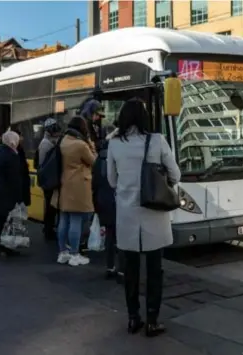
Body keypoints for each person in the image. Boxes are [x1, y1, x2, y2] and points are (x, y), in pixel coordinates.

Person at [107, 98, 180, 337]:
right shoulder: (157, 141)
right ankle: (152, 320)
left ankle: (132, 318)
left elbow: (112, 180)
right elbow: (176, 175)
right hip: (154, 214)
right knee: (154, 269)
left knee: (130, 270)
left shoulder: (114, 144)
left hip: (127, 215)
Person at [52, 116, 96, 267]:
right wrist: (90, 142)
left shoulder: (63, 141)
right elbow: (93, 160)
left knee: (64, 219)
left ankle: (62, 252)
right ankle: (75, 254)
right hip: (78, 186)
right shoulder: (81, 145)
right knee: (76, 220)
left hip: (63, 184)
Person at [93, 126, 122, 281]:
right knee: (122, 236)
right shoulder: (119, 156)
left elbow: (95, 183)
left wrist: (96, 204)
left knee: (110, 236)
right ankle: (122, 269)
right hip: (118, 200)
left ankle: (110, 267)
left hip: (103, 200)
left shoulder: (99, 158)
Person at [0, 130, 25, 257]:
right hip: (8, 193)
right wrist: (19, 197)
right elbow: (15, 178)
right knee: (8, 221)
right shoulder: (12, 156)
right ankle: (6, 245)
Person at [36, 118, 62, 240]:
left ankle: (49, 227)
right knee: (50, 206)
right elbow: (44, 164)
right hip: (49, 180)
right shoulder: (46, 143)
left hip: (49, 179)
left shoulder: (49, 141)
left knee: (51, 205)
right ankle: (48, 229)